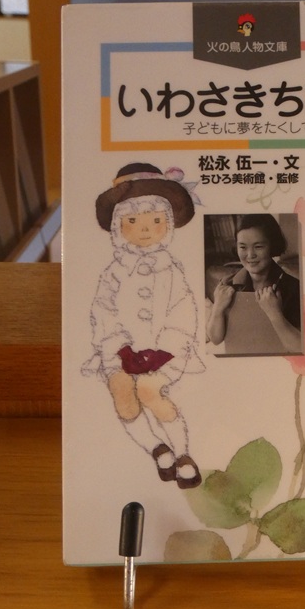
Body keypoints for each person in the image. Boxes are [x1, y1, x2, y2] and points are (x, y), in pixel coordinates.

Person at [82, 162, 205, 489]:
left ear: (168, 224)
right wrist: (121, 349)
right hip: (120, 350)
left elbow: (184, 313)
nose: (146, 229)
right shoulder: (113, 272)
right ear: (118, 226)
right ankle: (156, 447)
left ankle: (183, 454)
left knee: (149, 390)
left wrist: (164, 351)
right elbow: (103, 311)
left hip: (165, 352)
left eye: (156, 220)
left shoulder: (171, 270)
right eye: (133, 221)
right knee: (122, 391)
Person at [207, 213, 302, 354]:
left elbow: (299, 348)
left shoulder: (294, 287)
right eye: (243, 247)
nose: (250, 255)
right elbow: (215, 339)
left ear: (272, 246)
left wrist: (275, 313)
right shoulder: (227, 284)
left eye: (258, 247)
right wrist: (217, 309)